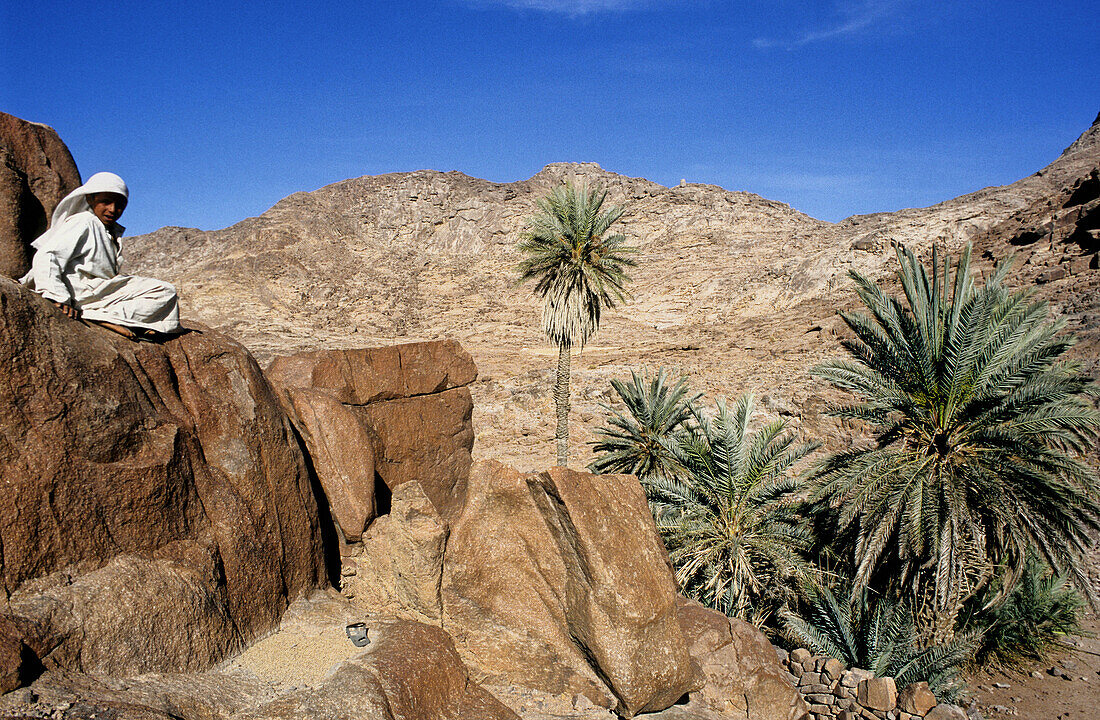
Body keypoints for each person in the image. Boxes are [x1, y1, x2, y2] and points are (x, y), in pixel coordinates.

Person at [20, 172, 182, 339]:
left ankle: (106, 316)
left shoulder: (109, 231)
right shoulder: (84, 221)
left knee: (165, 292)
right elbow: (47, 255)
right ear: (90, 199)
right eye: (106, 202)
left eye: (119, 205)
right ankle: (100, 316)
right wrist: (57, 297)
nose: (112, 209)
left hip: (98, 290)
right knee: (164, 291)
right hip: (80, 291)